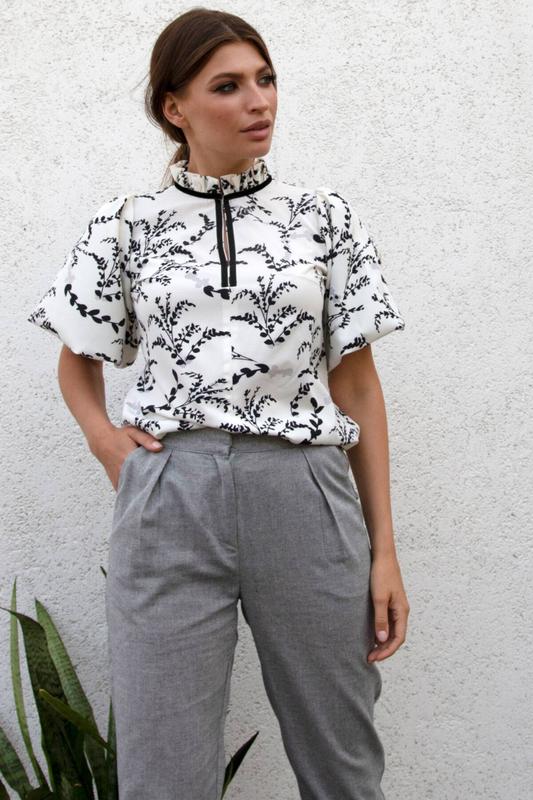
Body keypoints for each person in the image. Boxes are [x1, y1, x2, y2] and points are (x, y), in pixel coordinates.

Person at [27, 8, 410, 800]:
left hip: (305, 491)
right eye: (227, 86)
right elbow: (77, 358)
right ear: (175, 107)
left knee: (342, 762)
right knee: (163, 773)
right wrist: (107, 442)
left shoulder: (323, 218)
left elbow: (356, 386)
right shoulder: (127, 224)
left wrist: (384, 552)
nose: (258, 101)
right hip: (170, 501)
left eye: (264, 80)